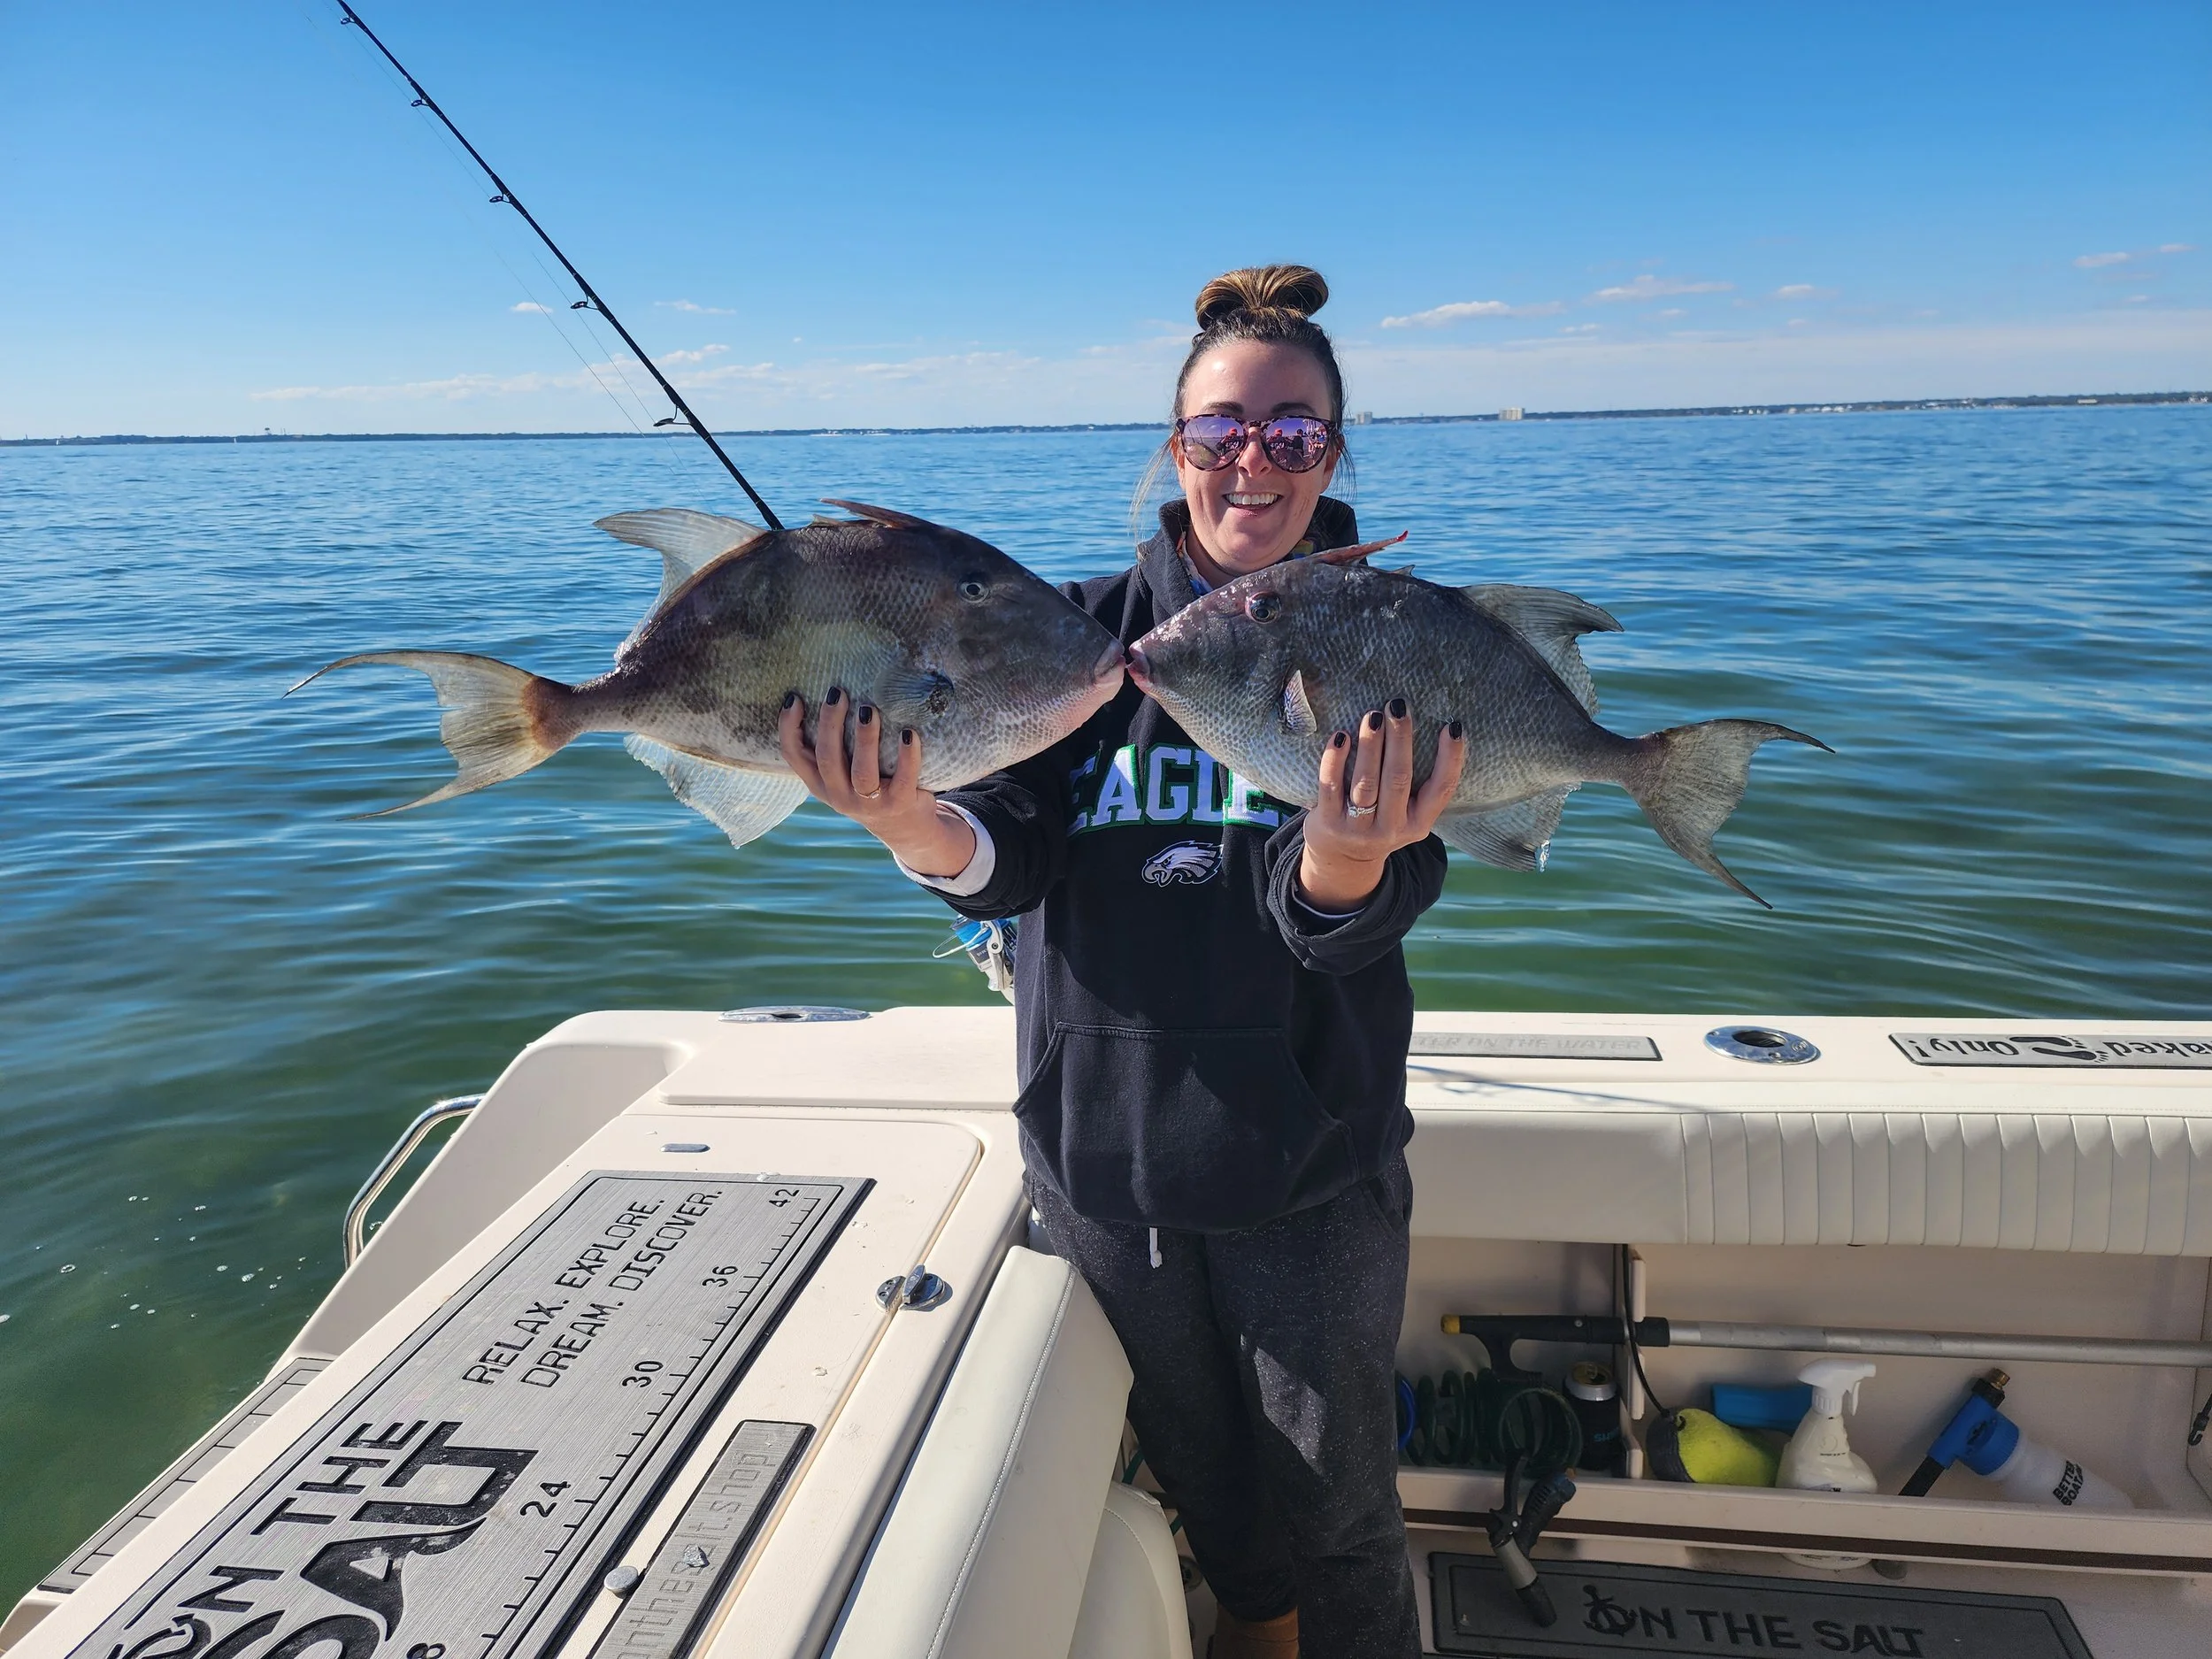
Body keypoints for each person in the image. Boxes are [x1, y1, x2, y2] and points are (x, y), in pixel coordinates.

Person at [780, 265, 1464, 1659]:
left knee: (1339, 1508)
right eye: (1221, 431)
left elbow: (1374, 895)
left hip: (1309, 1166)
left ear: (1333, 452)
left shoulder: (1384, 633)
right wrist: (911, 818)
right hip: (1102, 1164)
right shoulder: (1071, 637)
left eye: (1292, 432)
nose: (1252, 463)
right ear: (1176, 448)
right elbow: (1010, 851)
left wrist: (1345, 853)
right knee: (1206, 1486)